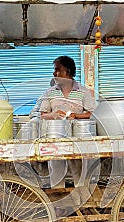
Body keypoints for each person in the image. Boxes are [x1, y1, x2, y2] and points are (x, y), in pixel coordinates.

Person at [38, 56, 95, 192]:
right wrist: (53, 115)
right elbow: (42, 115)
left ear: (68, 71)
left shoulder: (83, 91)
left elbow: (92, 114)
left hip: (77, 140)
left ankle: (82, 197)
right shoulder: (50, 92)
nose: (54, 73)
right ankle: (59, 201)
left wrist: (77, 115)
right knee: (56, 168)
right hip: (56, 139)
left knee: (79, 168)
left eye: (57, 70)